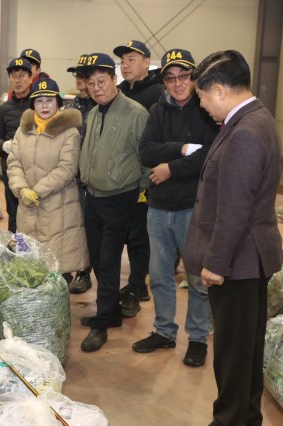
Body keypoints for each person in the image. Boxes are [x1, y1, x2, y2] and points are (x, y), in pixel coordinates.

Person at [183, 50, 283, 425]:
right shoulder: (258, 119)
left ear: (220, 91)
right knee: (246, 351)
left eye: (203, 97)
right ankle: (246, 417)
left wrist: (215, 263)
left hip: (238, 261)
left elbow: (235, 210)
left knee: (232, 354)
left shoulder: (244, 133)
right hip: (250, 257)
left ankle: (229, 420)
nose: (203, 106)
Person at [131, 49, 218, 368]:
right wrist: (180, 150)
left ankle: (197, 338)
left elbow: (209, 154)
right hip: (158, 207)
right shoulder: (157, 110)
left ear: (193, 78)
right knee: (160, 274)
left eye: (183, 76)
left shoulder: (206, 111)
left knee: (196, 276)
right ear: (164, 81)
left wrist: (170, 167)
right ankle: (165, 331)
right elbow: (145, 151)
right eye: (170, 77)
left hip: (191, 207)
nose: (178, 83)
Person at [77, 53, 149, 352]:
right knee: (96, 258)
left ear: (114, 80)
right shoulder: (93, 113)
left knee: (108, 260)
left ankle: (104, 322)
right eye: (91, 83)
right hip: (92, 197)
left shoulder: (136, 113)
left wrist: (142, 197)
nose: (96, 88)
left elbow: (147, 158)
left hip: (121, 199)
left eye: (102, 82)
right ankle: (112, 311)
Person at [7, 77, 88, 282]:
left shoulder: (69, 132)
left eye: (49, 100)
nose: (44, 105)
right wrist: (22, 190)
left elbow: (66, 168)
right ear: (32, 104)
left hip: (58, 208)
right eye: (39, 100)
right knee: (28, 266)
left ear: (58, 103)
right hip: (27, 207)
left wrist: (37, 191)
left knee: (57, 272)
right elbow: (14, 162)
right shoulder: (22, 131)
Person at [112, 40, 165, 315]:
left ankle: (136, 286)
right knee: (125, 233)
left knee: (139, 237)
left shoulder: (158, 93)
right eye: (123, 60)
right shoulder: (119, 92)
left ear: (147, 61)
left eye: (132, 59)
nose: (126, 64)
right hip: (120, 176)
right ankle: (137, 284)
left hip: (145, 177)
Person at [0, 57, 33, 233]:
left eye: (22, 75)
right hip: (12, 169)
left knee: (35, 211)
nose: (18, 80)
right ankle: (16, 250)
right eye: (14, 76)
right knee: (14, 211)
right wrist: (4, 145)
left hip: (35, 167)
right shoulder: (4, 108)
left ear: (31, 78)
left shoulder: (38, 104)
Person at [65, 54, 96, 293]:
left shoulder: (99, 107)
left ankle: (85, 272)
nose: (79, 79)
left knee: (88, 226)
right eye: (77, 75)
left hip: (90, 177)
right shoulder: (70, 105)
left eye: (83, 75)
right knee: (69, 224)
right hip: (69, 175)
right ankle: (66, 268)